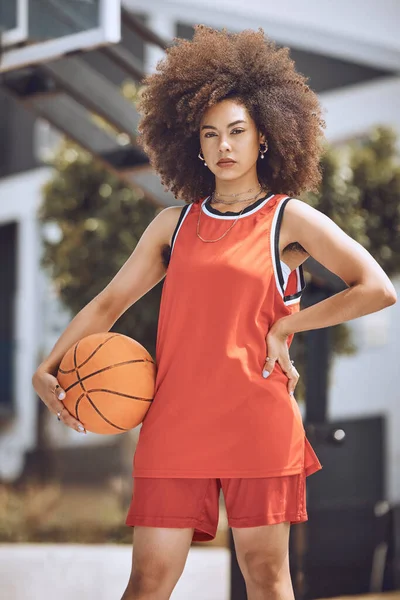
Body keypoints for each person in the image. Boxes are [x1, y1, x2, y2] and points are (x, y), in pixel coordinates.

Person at [32, 26, 397, 600]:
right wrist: (46, 367)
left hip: (258, 419)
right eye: (211, 135)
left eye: (237, 132)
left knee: (266, 578)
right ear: (195, 146)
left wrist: (287, 325)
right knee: (148, 581)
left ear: (265, 139)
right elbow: (108, 302)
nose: (224, 146)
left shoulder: (288, 220)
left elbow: (375, 288)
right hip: (175, 422)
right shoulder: (172, 226)